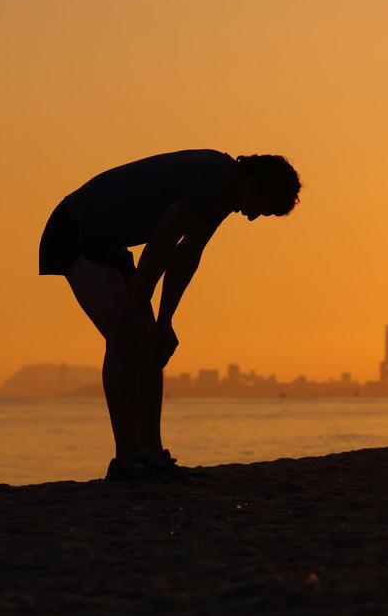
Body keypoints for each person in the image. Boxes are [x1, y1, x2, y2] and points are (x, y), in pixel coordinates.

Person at [38, 149, 301, 480]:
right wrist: (137, 307)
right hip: (75, 230)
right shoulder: (212, 177)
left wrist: (165, 322)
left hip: (109, 243)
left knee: (151, 343)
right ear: (254, 184)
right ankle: (126, 460)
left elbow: (187, 255)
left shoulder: (224, 195)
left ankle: (151, 453)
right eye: (259, 209)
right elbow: (162, 243)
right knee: (126, 336)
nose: (250, 218)